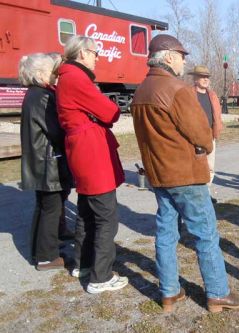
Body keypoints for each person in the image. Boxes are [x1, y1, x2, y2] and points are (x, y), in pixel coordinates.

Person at [130, 34, 239, 313]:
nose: (184, 60)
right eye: (182, 55)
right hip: (186, 176)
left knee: (166, 233)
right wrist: (205, 145)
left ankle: (169, 292)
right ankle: (218, 293)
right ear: (169, 56)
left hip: (159, 175)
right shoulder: (177, 90)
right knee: (205, 234)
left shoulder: (140, 92)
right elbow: (203, 136)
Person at [56, 35, 128, 293]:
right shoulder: (77, 78)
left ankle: (83, 264)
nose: (98, 57)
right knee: (106, 216)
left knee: (86, 212)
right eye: (96, 53)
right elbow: (111, 112)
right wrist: (101, 107)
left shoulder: (67, 77)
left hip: (82, 149)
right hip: (91, 152)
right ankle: (101, 277)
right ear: (83, 53)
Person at [19, 53, 73, 271]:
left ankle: (39, 251)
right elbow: (55, 131)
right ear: (41, 74)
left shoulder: (33, 94)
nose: (56, 74)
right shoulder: (42, 96)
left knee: (44, 208)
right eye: (52, 71)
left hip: (40, 160)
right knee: (51, 208)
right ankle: (46, 256)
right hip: (48, 161)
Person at [187, 65, 223, 204]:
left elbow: (217, 114)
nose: (205, 79)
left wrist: (217, 128)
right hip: (194, 137)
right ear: (195, 78)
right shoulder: (188, 94)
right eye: (202, 77)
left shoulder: (212, 95)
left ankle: (206, 194)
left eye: (207, 77)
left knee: (210, 167)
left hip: (210, 135)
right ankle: (195, 195)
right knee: (195, 167)